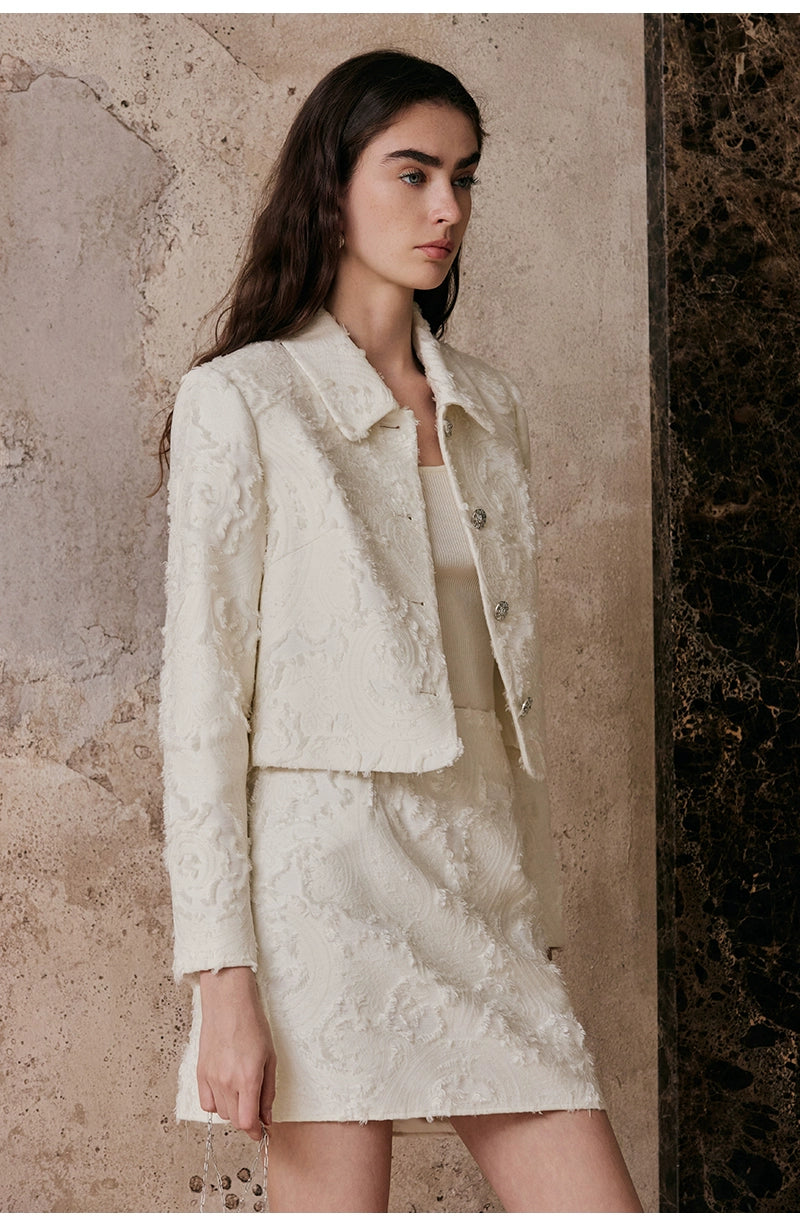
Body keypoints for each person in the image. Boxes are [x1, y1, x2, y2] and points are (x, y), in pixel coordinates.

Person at [159, 49, 642, 1212]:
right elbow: (202, 703)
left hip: (476, 864)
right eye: (413, 173)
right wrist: (222, 980)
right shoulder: (244, 399)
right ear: (331, 184)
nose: (446, 209)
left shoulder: (488, 406)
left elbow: (503, 691)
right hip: (320, 886)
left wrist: (531, 905)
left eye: (462, 178)